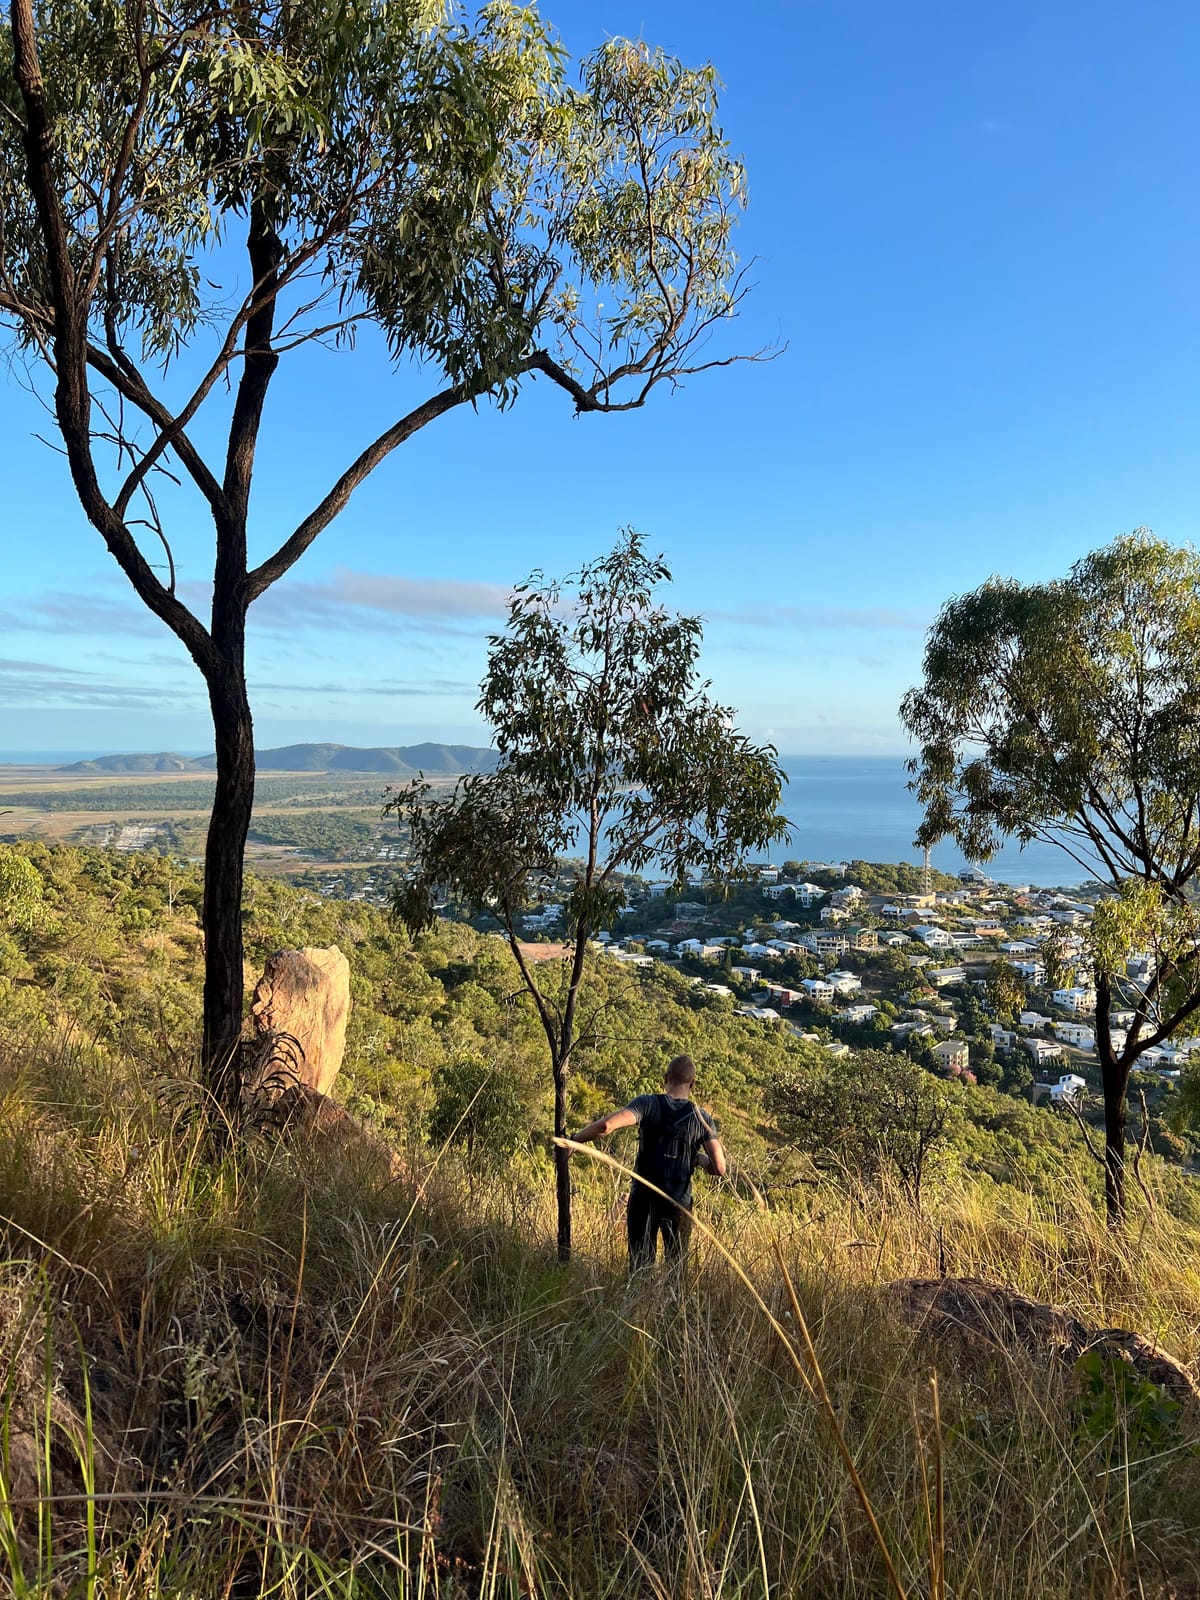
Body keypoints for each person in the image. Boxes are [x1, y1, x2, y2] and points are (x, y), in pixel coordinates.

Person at [572, 1054, 726, 1269]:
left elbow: (606, 1126)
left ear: (665, 1078)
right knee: (676, 1270)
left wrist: (573, 1141)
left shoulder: (647, 1103)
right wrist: (698, 1158)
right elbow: (719, 1168)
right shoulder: (702, 1118)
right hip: (678, 1203)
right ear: (692, 1083)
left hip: (643, 1198)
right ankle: (673, 1303)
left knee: (639, 1267)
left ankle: (636, 1302)